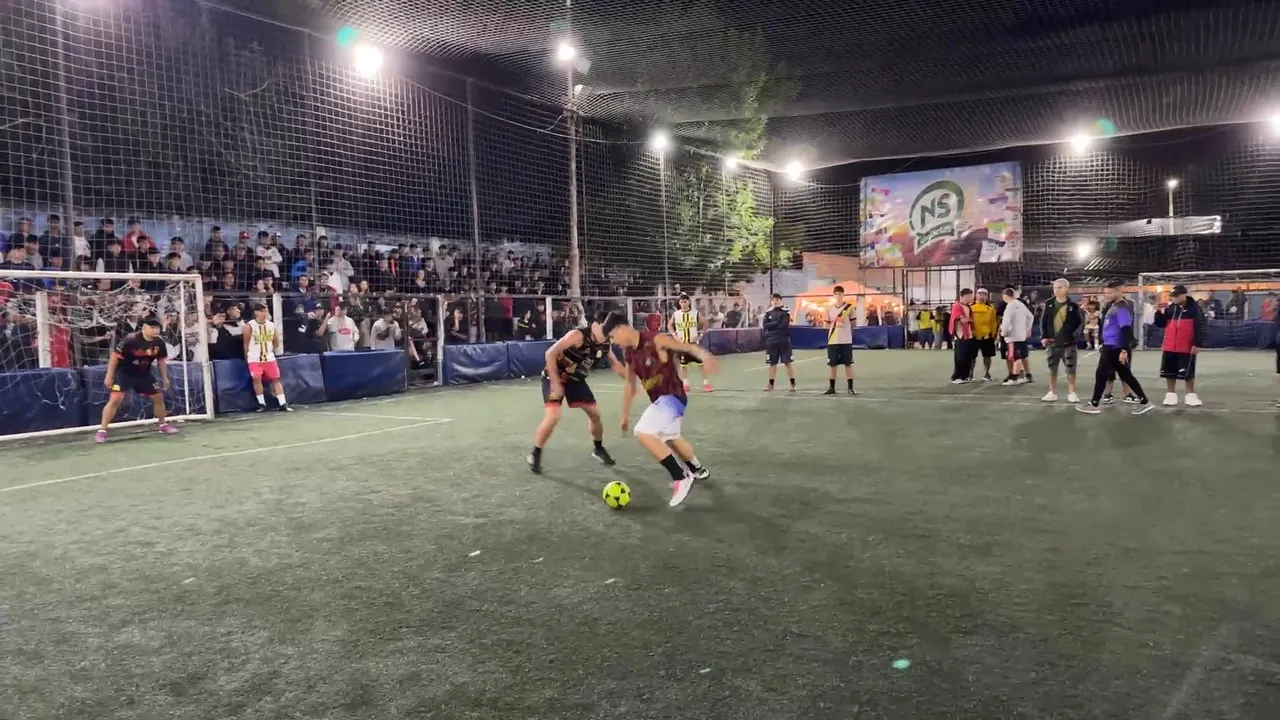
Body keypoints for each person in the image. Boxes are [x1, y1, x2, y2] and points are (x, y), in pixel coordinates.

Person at [604, 313, 715, 508]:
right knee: (671, 438)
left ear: (621, 329)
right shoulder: (629, 354)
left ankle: (681, 477)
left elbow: (686, 346)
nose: (613, 342)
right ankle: (697, 469)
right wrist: (624, 416)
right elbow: (630, 384)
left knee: (643, 432)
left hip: (673, 396)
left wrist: (706, 356)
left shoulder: (655, 339)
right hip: (661, 400)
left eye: (612, 337)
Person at [528, 311, 625, 474]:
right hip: (555, 376)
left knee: (595, 415)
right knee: (553, 416)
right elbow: (550, 353)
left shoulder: (605, 343)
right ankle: (535, 453)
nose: (607, 336)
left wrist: (632, 378)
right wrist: (556, 382)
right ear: (595, 326)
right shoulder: (577, 336)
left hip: (576, 380)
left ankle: (598, 449)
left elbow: (615, 364)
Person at [96, 318, 179, 443]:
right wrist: (109, 376)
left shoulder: (159, 343)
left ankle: (163, 425)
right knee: (116, 399)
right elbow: (115, 357)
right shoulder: (131, 340)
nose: (155, 330)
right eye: (152, 327)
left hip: (143, 373)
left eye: (157, 328)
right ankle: (102, 430)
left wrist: (165, 378)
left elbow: (161, 360)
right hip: (124, 373)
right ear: (144, 328)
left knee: (158, 397)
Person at [1078, 280, 1153, 415]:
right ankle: (1145, 401)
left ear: (1119, 291)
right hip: (1110, 345)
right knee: (1126, 375)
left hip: (1114, 347)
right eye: (1106, 293)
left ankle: (1094, 404)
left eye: (1110, 293)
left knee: (1101, 373)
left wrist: (1123, 350)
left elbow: (1125, 328)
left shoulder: (1122, 307)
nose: (1107, 295)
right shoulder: (1113, 306)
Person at [1152, 284, 1206, 407]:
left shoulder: (1195, 309)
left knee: (1188, 372)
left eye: (1176, 296)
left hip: (1186, 346)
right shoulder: (1171, 308)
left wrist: (1197, 343)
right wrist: (1158, 311)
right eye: (1173, 296)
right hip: (1170, 345)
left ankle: (1190, 395)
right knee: (1169, 372)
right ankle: (1170, 395)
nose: (1174, 298)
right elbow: (1160, 324)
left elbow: (1201, 326)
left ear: (1184, 295)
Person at [1039, 278, 1081, 402]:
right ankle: (1052, 392)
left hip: (1069, 343)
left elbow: (1079, 323)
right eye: (1055, 288)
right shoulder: (1049, 303)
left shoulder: (1073, 306)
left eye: (1060, 287)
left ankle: (1072, 392)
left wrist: (1072, 336)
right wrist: (1044, 336)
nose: (1056, 290)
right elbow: (1044, 321)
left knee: (1070, 368)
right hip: (1052, 342)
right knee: (1052, 368)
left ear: (1066, 289)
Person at [244, 303, 291, 412]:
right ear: (256, 312)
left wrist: (269, 351)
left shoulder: (271, 325)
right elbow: (246, 344)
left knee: (276, 379)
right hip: (254, 358)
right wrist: (247, 357)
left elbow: (276, 342)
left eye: (266, 311)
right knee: (256, 379)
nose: (264, 313)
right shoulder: (249, 326)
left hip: (269, 357)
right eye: (262, 311)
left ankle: (283, 403)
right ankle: (262, 403)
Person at [669, 293, 712, 393]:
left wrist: (700, 334)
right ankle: (686, 384)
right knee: (683, 364)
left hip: (693, 344)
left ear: (689, 302)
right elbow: (670, 325)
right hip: (683, 345)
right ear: (679, 303)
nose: (683, 304)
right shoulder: (676, 314)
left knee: (701, 364)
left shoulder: (695, 313)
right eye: (681, 302)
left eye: (685, 301)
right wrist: (674, 335)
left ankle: (706, 383)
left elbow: (705, 323)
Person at [824, 286, 856, 395]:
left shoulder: (849, 307)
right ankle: (831, 387)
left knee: (848, 364)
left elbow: (853, 323)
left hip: (846, 340)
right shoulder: (829, 309)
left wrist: (846, 330)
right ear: (833, 295)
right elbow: (826, 324)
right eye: (836, 293)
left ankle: (850, 388)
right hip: (833, 341)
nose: (838, 295)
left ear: (843, 294)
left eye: (840, 293)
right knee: (832, 364)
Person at [999, 287, 1034, 385]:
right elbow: (1031, 317)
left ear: (1005, 296)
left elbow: (1006, 322)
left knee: (1015, 358)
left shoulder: (1009, 306)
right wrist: (1028, 328)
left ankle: (1013, 379)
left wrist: (1003, 333)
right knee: (1022, 356)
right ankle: (1027, 376)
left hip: (1012, 337)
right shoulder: (1021, 304)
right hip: (1022, 336)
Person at [761, 293, 795, 392]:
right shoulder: (768, 313)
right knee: (772, 363)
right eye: (773, 300)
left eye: (777, 300)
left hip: (783, 341)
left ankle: (793, 384)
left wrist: (772, 325)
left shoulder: (785, 312)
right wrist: (776, 323)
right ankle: (771, 384)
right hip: (771, 341)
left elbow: (783, 325)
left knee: (787, 362)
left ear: (781, 301)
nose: (775, 302)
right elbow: (765, 325)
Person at [970, 288, 999, 381]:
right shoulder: (970, 307)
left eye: (984, 294)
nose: (982, 296)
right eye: (980, 294)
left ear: (987, 296)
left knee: (987, 356)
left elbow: (993, 322)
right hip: (973, 336)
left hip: (987, 336)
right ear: (976, 295)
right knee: (971, 357)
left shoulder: (991, 308)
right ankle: (970, 374)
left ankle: (987, 373)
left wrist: (993, 334)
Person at [949, 289, 976, 383]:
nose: (972, 298)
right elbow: (962, 320)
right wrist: (970, 319)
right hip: (961, 335)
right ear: (965, 296)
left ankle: (965, 376)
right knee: (960, 357)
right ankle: (957, 376)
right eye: (971, 296)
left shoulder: (968, 307)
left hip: (969, 335)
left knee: (968, 356)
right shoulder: (957, 306)